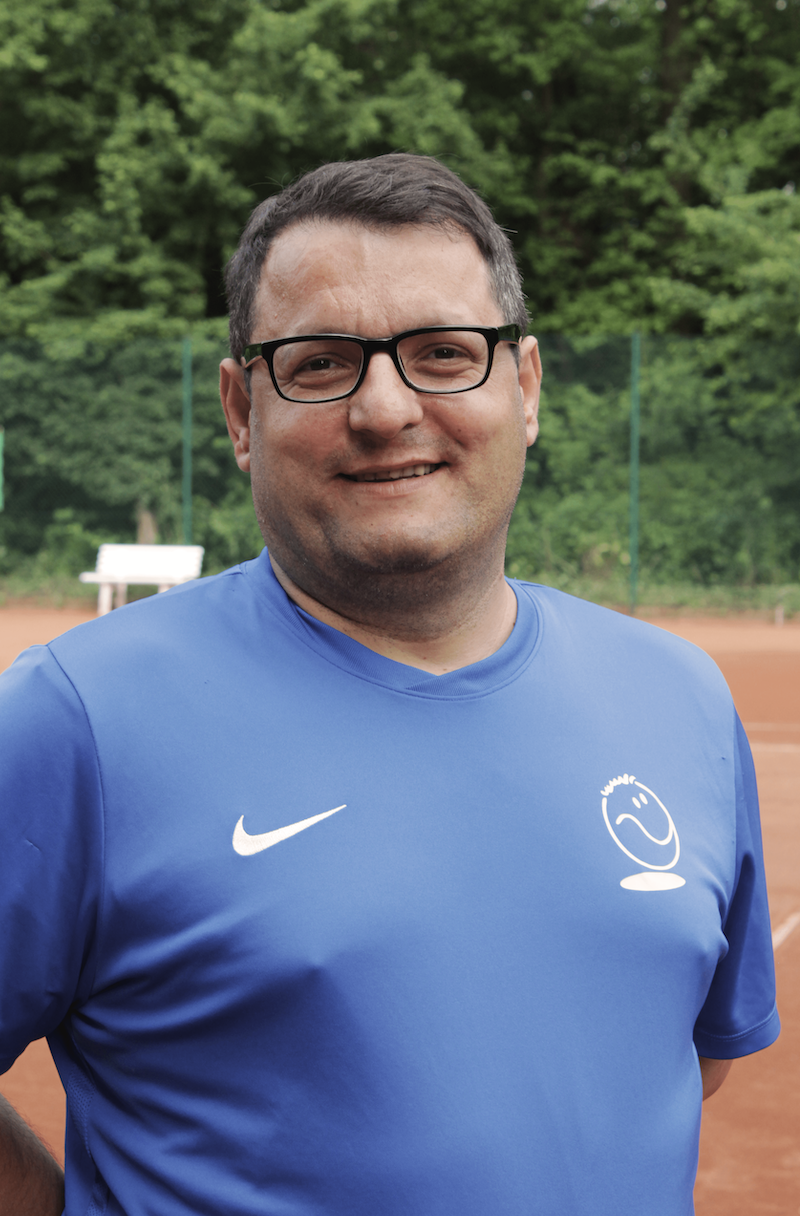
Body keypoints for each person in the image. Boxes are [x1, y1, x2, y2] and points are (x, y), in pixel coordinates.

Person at [0, 154, 779, 1216]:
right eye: (319, 363)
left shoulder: (679, 697)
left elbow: (680, 1055)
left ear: (525, 387)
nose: (384, 407)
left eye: (443, 353)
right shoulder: (75, 720)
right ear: (239, 410)